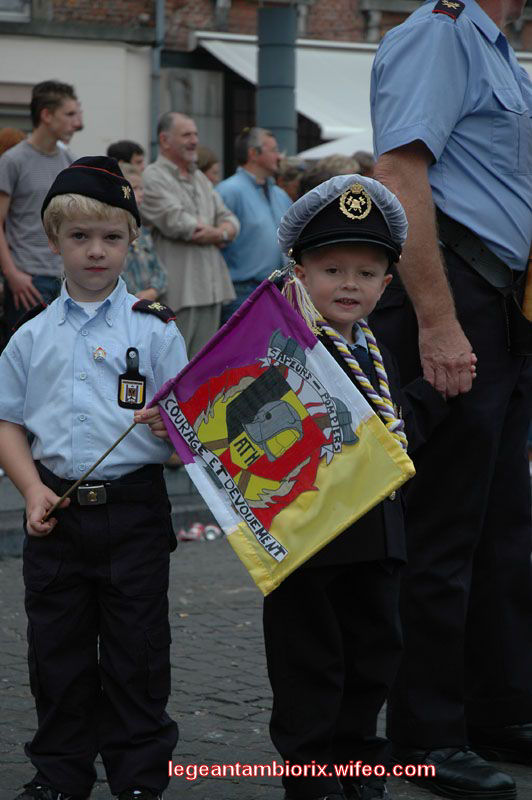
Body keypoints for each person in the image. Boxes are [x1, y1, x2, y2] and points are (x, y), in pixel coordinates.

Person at [370, 1, 532, 797]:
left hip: (500, 301)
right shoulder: (437, 32)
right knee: (441, 536)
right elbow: (398, 176)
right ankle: (424, 737)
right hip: (453, 296)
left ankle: (497, 708)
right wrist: (438, 322)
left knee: (502, 531)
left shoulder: (497, 47)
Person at [0, 156, 187, 800]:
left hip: (135, 512)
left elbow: (189, 426)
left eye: (111, 237)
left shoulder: (156, 329)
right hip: (56, 511)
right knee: (58, 657)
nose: (96, 251)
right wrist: (30, 490)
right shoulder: (28, 339)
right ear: (54, 243)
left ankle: (139, 778)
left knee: (137, 655)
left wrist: (171, 427)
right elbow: (8, 425)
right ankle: (60, 775)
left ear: (132, 241)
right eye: (79, 238)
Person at [265, 174, 451, 800]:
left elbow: (395, 433)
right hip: (309, 544)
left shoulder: (379, 352)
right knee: (309, 670)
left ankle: (359, 771)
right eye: (333, 269)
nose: (349, 285)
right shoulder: (285, 348)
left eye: (366, 273)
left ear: (386, 283)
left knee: (372, 663)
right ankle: (312, 782)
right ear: (301, 273)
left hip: (377, 542)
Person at [142, 112, 238, 357]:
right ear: (164, 140)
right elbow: (182, 225)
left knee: (201, 371)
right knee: (173, 367)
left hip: (212, 288)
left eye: (195, 134)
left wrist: (219, 232)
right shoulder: (152, 177)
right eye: (186, 135)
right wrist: (222, 233)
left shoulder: (199, 178)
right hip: (179, 291)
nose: (195, 140)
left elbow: (231, 220)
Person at [0, 80, 79, 333]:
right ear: (46, 115)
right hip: (28, 281)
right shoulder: (13, 161)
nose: (76, 123)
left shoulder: (70, 161)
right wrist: (12, 274)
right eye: (69, 114)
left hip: (65, 278)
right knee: (24, 362)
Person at [217, 127, 292, 323]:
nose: (280, 156)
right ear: (253, 154)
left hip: (279, 291)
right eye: (274, 150)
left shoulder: (280, 194)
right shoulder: (228, 191)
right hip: (242, 294)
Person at [119, 163, 167, 302]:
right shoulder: (112, 230)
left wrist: (153, 290)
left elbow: (159, 269)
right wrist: (135, 296)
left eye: (141, 188)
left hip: (147, 304)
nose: (141, 194)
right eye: (134, 188)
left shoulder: (142, 231)